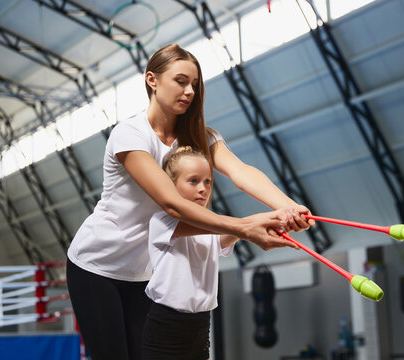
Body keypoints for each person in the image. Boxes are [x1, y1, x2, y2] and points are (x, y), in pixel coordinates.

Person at [66, 43, 314, 360]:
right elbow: (171, 205)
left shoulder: (199, 137)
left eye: (194, 84)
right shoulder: (130, 134)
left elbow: (241, 172)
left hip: (142, 272)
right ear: (152, 80)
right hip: (96, 265)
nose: (189, 91)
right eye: (181, 81)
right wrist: (244, 228)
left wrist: (289, 207)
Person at [142, 146, 238, 360]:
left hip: (201, 326)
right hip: (166, 327)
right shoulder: (162, 221)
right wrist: (254, 224)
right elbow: (231, 228)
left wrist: (273, 223)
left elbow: (229, 234)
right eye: (193, 181)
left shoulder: (212, 224)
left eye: (207, 181)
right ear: (171, 185)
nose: (203, 189)